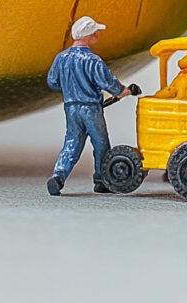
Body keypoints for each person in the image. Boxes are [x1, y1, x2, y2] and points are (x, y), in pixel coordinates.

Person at [46, 16, 134, 196]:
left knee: (72, 142)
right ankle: (102, 180)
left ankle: (58, 175)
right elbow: (108, 83)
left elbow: (53, 82)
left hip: (71, 108)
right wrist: (125, 91)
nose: (97, 36)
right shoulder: (93, 60)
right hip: (91, 108)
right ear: (86, 35)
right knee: (100, 143)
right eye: (94, 33)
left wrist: (71, 89)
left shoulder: (61, 58)